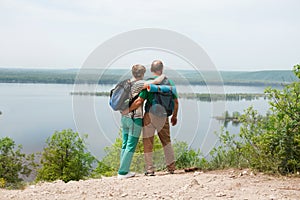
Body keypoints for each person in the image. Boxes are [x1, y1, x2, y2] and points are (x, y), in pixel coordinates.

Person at [126, 60, 179, 176]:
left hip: (149, 115)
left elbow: (140, 100)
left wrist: (127, 110)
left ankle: (150, 170)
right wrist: (174, 116)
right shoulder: (170, 83)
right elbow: (176, 102)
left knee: (148, 142)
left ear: (151, 70)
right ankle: (171, 167)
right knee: (166, 142)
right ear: (162, 69)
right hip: (164, 117)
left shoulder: (149, 83)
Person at [117, 64, 165, 179]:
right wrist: (162, 75)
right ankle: (123, 172)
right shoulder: (139, 84)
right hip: (135, 119)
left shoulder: (127, 83)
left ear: (133, 73)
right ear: (142, 74)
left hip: (124, 118)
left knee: (124, 144)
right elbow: (155, 82)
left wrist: (125, 111)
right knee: (131, 145)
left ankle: (123, 170)